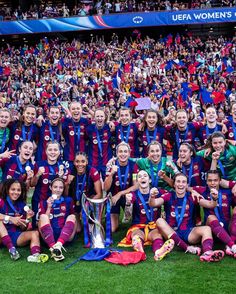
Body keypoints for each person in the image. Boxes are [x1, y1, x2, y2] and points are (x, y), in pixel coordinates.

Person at [149, 173, 225, 262]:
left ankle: (208, 253)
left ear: (187, 185)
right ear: (174, 184)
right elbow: (153, 203)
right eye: (178, 181)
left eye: (183, 182)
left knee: (206, 229)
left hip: (189, 233)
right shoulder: (168, 195)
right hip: (171, 232)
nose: (181, 184)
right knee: (159, 221)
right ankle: (187, 248)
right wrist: (152, 196)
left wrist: (214, 198)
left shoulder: (192, 196)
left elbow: (210, 204)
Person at [119, 170, 175, 261]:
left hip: (153, 226)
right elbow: (127, 217)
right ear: (137, 181)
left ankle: (159, 251)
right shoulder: (133, 195)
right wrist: (128, 204)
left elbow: (172, 195)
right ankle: (140, 249)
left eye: (145, 176)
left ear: (149, 180)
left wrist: (166, 214)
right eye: (140, 176)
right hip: (138, 226)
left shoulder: (158, 192)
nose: (142, 178)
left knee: (157, 235)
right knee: (137, 235)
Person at [0, 179, 48, 262]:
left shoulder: (22, 205)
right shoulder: (1, 201)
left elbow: (23, 228)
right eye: (13, 189)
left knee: (35, 233)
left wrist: (27, 218)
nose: (16, 192)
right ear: (7, 190)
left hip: (14, 235)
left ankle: (35, 255)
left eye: (18, 190)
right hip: (1, 236)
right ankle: (12, 250)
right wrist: (10, 218)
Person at [197, 170, 236, 257]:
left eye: (215, 180)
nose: (212, 183)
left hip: (227, 229)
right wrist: (193, 192)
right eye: (210, 180)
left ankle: (229, 244)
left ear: (220, 181)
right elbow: (185, 188)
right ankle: (232, 246)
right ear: (206, 181)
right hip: (210, 229)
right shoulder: (202, 191)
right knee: (211, 217)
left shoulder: (228, 192)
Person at [31, 141, 69, 228]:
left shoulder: (62, 166)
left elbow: (65, 188)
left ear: (59, 152)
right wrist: (37, 175)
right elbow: (32, 184)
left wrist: (62, 177)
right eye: (50, 150)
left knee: (53, 227)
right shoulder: (38, 164)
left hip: (56, 202)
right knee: (37, 226)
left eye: (55, 150)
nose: (52, 152)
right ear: (46, 151)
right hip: (39, 199)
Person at [38, 177, 77, 261]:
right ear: (50, 188)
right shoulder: (43, 202)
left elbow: (73, 221)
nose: (58, 190)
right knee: (43, 216)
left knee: (73, 216)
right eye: (55, 187)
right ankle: (53, 247)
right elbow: (43, 222)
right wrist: (49, 207)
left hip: (64, 236)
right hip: (49, 236)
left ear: (63, 189)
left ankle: (58, 245)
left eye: (61, 187)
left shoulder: (68, 200)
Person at [104, 142, 138, 232]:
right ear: (117, 153)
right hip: (114, 198)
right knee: (112, 229)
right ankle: (114, 214)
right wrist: (111, 174)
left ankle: (130, 213)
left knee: (136, 225)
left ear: (129, 153)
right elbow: (105, 188)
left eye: (125, 151)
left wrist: (120, 193)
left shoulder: (133, 165)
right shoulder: (110, 165)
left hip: (127, 196)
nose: (123, 154)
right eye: (120, 151)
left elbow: (136, 186)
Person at [68, 152, 102, 232]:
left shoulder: (92, 171)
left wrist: (85, 205)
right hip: (75, 201)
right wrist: (67, 184)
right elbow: (66, 195)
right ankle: (75, 216)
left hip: (89, 201)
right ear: (74, 162)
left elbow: (99, 194)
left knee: (92, 229)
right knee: (78, 230)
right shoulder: (70, 172)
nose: (80, 164)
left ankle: (92, 218)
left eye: (83, 161)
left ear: (87, 162)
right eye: (77, 161)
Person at [86, 108, 113, 179]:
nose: (99, 118)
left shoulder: (110, 127)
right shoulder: (89, 129)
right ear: (94, 117)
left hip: (106, 161)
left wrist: (110, 122)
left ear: (105, 117)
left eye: (101, 116)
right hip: (93, 161)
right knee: (92, 183)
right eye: (97, 116)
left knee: (108, 183)